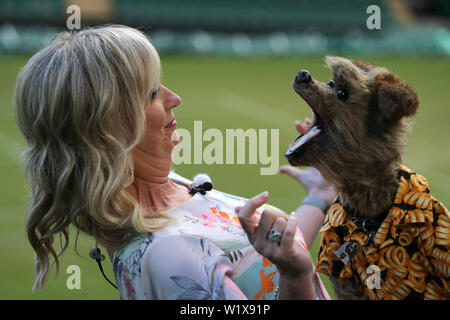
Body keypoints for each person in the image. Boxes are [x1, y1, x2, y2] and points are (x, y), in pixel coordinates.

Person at [14, 25, 335, 300]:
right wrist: (296, 277)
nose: (173, 98)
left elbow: (256, 268)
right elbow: (280, 275)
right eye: (152, 93)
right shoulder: (170, 256)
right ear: (110, 125)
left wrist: (318, 197)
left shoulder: (171, 188)